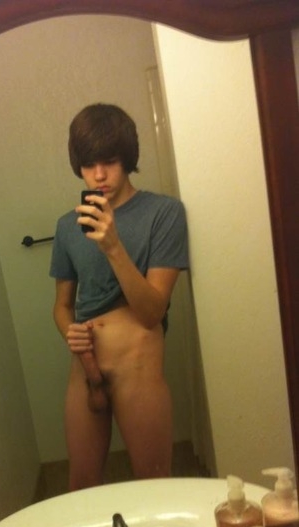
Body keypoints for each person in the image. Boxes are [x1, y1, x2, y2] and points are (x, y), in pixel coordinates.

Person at [50, 103, 189, 491]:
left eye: (109, 162)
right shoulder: (68, 226)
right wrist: (69, 332)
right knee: (81, 487)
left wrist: (113, 246)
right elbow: (62, 306)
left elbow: (152, 311)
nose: (98, 175)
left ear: (127, 159)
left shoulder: (164, 213)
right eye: (88, 164)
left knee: (154, 486)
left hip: (138, 368)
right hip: (85, 371)